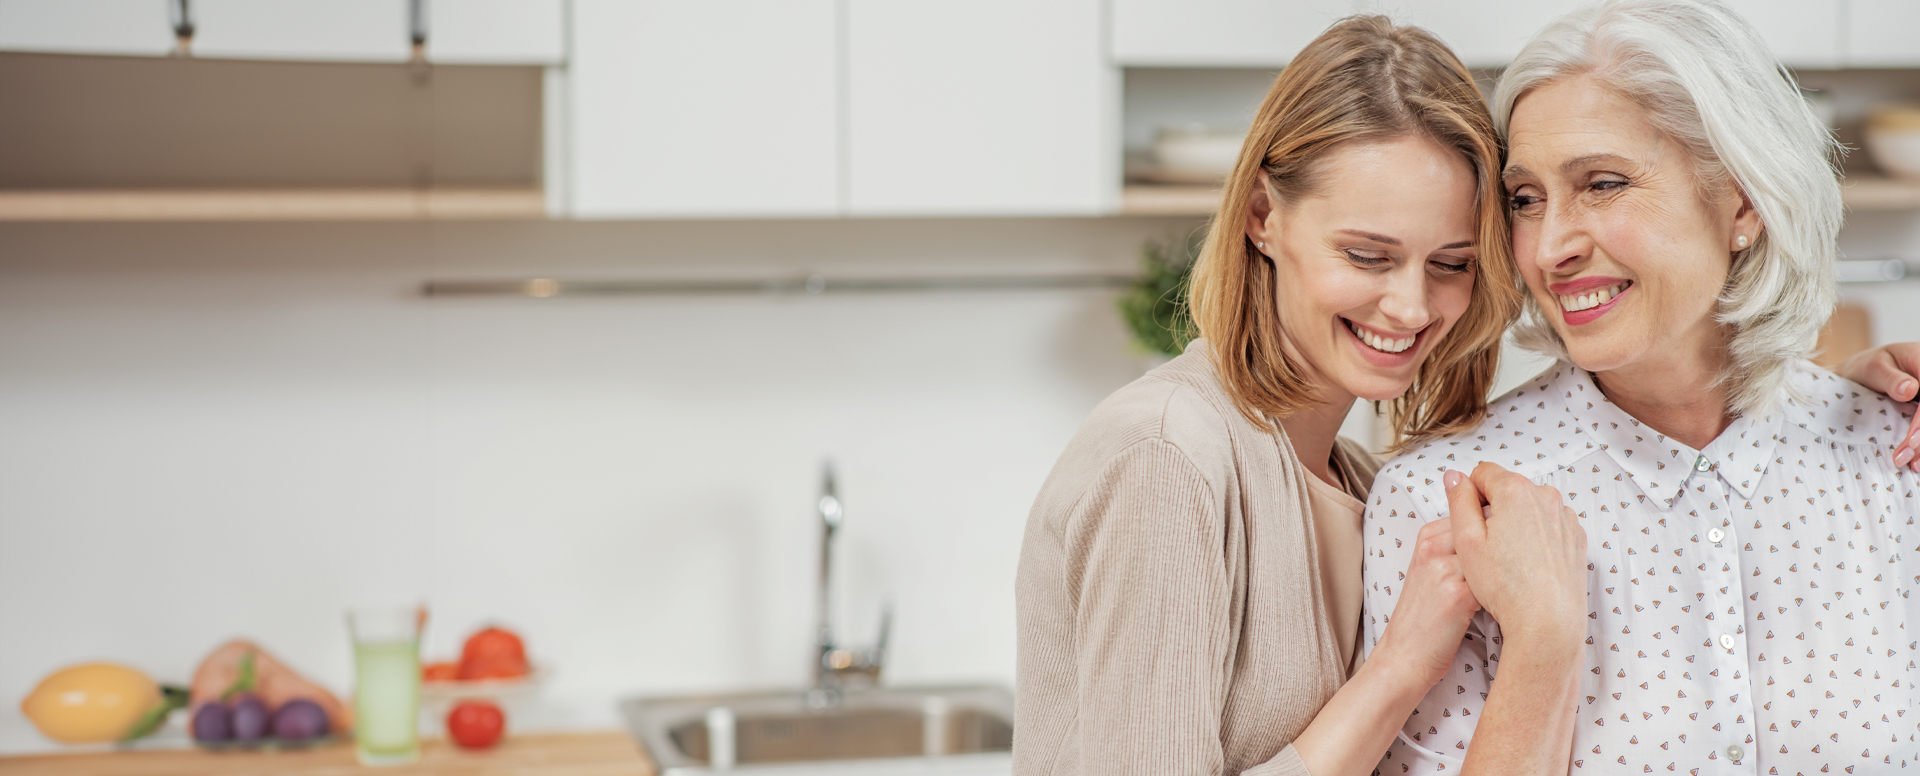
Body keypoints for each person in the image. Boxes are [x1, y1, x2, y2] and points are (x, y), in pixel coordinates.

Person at [1015, 17, 1591, 776]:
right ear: (1263, 218)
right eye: (1367, 256)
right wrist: (1396, 669)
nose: (1413, 308)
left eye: (1450, 264)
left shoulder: (1357, 479)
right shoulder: (1166, 458)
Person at [1361, 1, 1920, 773]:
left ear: (1744, 201)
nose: (1551, 246)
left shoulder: (1892, 459)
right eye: (1526, 199)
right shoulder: (1444, 504)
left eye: (1603, 184)